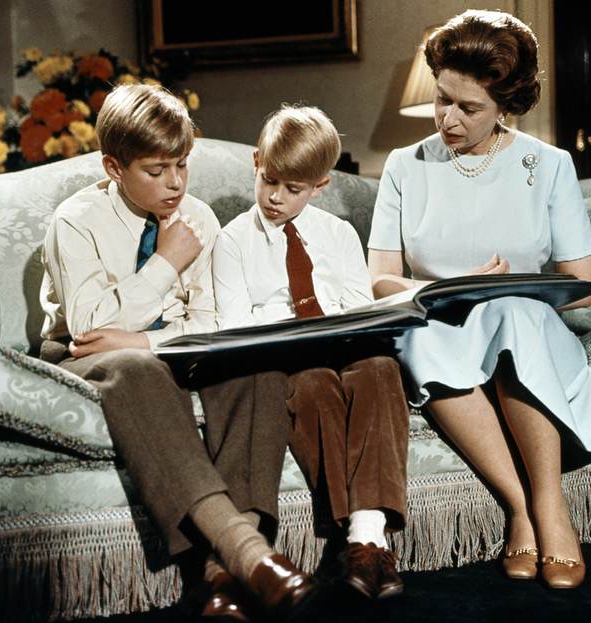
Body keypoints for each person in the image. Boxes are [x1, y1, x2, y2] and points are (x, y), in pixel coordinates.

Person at [39, 84, 319, 622]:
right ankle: (250, 556)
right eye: (156, 170)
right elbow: (91, 328)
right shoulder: (76, 220)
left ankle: (220, 578)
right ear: (114, 167)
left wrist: (143, 337)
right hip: (84, 353)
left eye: (182, 165)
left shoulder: (200, 217)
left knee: (256, 365)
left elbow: (211, 323)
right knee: (132, 369)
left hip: (161, 345)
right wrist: (167, 261)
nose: (175, 183)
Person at [367, 10, 591, 589]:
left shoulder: (550, 164)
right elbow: (380, 279)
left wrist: (511, 289)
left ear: (505, 104)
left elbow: (579, 283)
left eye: (469, 107)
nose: (448, 119)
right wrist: (441, 290)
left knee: (513, 309)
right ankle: (523, 509)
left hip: (525, 326)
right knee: (413, 333)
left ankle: (553, 506)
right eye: (441, 100)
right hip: (440, 323)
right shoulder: (406, 167)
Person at [213, 105, 411, 601]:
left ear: (320, 186)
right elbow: (236, 324)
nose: (276, 197)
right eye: (269, 180)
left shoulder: (338, 234)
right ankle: (366, 547)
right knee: (316, 385)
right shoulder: (233, 240)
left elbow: (360, 309)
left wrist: (347, 325)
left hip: (345, 344)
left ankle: (363, 543)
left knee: (381, 368)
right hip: (288, 358)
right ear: (256, 163)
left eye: (293, 189)